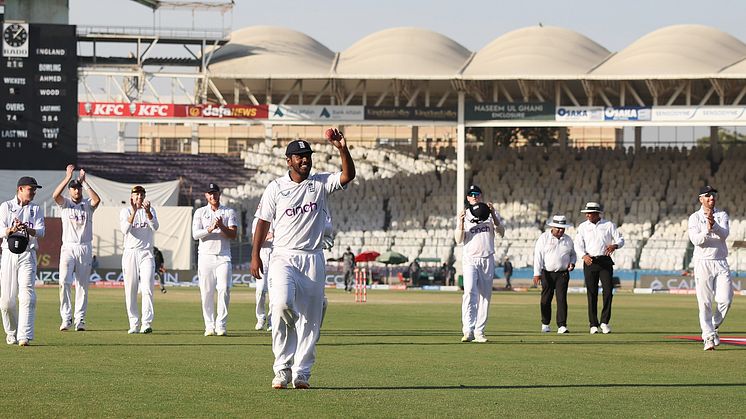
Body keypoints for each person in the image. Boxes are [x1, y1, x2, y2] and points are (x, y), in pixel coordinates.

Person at [251, 129, 355, 390]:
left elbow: (347, 176)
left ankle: (302, 373)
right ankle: (282, 368)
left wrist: (342, 148)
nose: (305, 160)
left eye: (307, 155)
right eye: (299, 156)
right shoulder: (275, 187)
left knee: (310, 320)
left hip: (313, 258)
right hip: (283, 256)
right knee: (281, 305)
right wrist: (255, 256)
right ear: (289, 161)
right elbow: (262, 223)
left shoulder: (320, 183)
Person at [52, 164, 101, 332]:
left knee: (82, 285)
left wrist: (84, 182)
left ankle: (80, 319)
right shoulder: (64, 204)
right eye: (73, 189)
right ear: (70, 191)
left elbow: (97, 200)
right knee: (64, 282)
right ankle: (66, 318)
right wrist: (68, 177)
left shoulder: (87, 204)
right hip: (68, 247)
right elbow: (55, 195)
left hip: (84, 247)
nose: (76, 191)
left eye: (78, 188)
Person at [455, 184, 505, 343]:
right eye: (471, 194)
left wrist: (494, 215)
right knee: (469, 292)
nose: (474, 196)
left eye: (477, 194)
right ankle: (467, 330)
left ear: (480, 196)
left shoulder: (491, 213)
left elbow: (501, 232)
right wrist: (461, 223)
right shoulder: (464, 214)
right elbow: (458, 240)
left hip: (487, 257)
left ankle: (479, 332)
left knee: (485, 296)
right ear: (468, 198)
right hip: (470, 258)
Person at [0, 176, 46, 346]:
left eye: (35, 189)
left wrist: (28, 229)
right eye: (30, 188)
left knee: (27, 296)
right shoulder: (6, 207)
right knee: (6, 301)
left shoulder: (36, 209)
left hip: (28, 253)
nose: (33, 192)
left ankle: (24, 336)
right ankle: (11, 333)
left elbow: (41, 232)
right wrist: (10, 229)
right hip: (8, 254)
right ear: (20, 189)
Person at [688, 185, 732, 351]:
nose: (711, 198)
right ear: (701, 199)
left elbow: (724, 235)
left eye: (713, 196)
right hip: (703, 262)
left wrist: (714, 225)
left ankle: (712, 327)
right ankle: (707, 337)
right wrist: (707, 229)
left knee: (725, 300)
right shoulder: (694, 218)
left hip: (721, 261)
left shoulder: (722, 215)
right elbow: (696, 240)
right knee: (705, 303)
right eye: (707, 196)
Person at [192, 183, 238, 337]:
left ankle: (221, 325)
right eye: (210, 193)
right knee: (206, 292)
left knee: (224, 289)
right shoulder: (200, 212)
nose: (213, 196)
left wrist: (222, 226)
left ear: (219, 194)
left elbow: (233, 235)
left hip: (223, 256)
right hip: (205, 256)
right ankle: (209, 325)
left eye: (215, 193)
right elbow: (195, 235)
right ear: (206, 196)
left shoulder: (228, 211)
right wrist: (209, 229)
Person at [574, 202, 624, 335]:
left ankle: (604, 322)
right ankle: (593, 324)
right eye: (586, 213)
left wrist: (615, 246)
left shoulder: (608, 225)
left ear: (597, 213)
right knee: (592, 293)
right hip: (590, 261)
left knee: (608, 292)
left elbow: (620, 239)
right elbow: (578, 244)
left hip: (605, 261)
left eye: (590, 213)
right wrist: (583, 256)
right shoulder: (583, 227)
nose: (587, 215)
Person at [120, 185, 159, 334]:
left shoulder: (150, 210)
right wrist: (134, 212)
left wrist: (148, 212)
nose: (139, 197)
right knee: (130, 289)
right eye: (136, 195)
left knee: (148, 287)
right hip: (130, 253)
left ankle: (146, 323)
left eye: (142, 195)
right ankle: (134, 323)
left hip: (146, 252)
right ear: (132, 197)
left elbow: (155, 226)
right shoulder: (125, 211)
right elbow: (125, 230)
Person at [533, 215, 576, 334]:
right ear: (552, 227)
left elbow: (573, 254)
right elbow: (538, 256)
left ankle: (562, 325)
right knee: (545, 300)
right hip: (547, 273)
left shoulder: (568, 240)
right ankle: (545, 323)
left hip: (562, 274)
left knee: (562, 299)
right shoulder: (544, 238)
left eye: (563, 229)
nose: (561, 231)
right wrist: (537, 273)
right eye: (558, 228)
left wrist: (572, 263)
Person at [252, 213, 273, 331]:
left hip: (277, 258)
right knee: (260, 290)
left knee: (275, 292)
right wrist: (266, 236)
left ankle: (272, 320)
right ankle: (260, 317)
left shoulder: (281, 216)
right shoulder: (257, 221)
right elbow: (254, 240)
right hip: (263, 257)